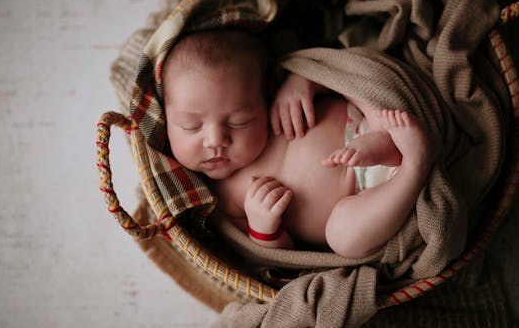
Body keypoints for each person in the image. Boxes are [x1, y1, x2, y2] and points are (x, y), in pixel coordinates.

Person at [162, 29, 435, 258]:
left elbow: (338, 68)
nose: (215, 140)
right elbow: (277, 256)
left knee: (361, 88)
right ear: (165, 119)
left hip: (376, 124)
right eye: (191, 126)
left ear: (264, 95)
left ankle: (385, 134)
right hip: (368, 199)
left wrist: (305, 81)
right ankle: (413, 167)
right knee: (343, 240)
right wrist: (264, 229)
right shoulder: (220, 203)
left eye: (239, 121)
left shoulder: (278, 101)